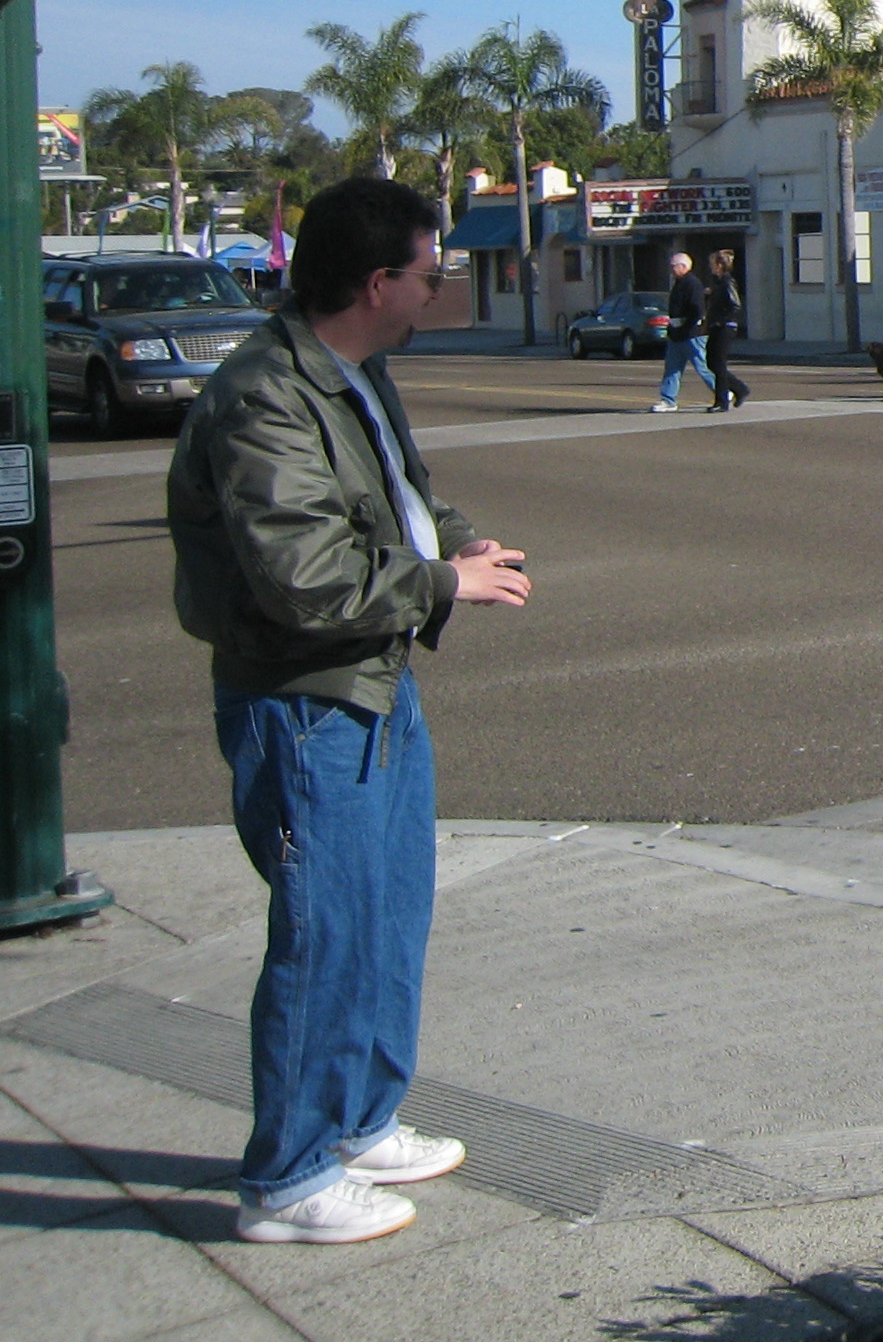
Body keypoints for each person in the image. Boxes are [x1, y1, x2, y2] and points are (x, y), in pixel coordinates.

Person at [167, 176, 532, 1246]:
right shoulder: (265, 396)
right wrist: (446, 584)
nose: (436, 289)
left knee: (386, 917)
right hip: (304, 702)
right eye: (428, 272)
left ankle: (360, 1122)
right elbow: (304, 578)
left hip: (372, 682)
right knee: (324, 934)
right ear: (376, 282)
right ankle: (287, 1179)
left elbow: (398, 502)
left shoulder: (350, 373)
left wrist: (456, 543)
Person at [648, 247, 709, 413]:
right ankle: (668, 400)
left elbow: (697, 310)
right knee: (672, 368)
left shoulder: (692, 284)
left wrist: (686, 327)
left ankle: (723, 391)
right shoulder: (679, 283)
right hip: (677, 333)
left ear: (684, 266)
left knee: (702, 366)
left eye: (673, 266)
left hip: (691, 334)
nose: (671, 269)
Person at [702, 246, 750, 411]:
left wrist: (722, 320)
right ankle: (739, 388)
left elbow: (735, 305)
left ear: (720, 265)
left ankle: (722, 401)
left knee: (719, 364)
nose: (710, 267)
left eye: (712, 263)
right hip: (716, 326)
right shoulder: (717, 282)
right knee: (711, 362)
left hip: (725, 327)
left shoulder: (728, 282)